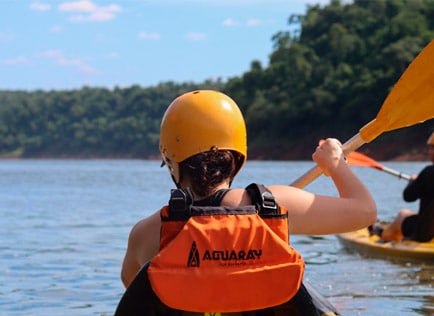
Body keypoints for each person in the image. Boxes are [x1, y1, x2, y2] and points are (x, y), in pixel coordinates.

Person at [121, 90, 376, 289]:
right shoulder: (273, 205)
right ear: (237, 157)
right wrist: (335, 165)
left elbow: (135, 291)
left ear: (170, 161)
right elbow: (366, 212)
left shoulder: (145, 233)